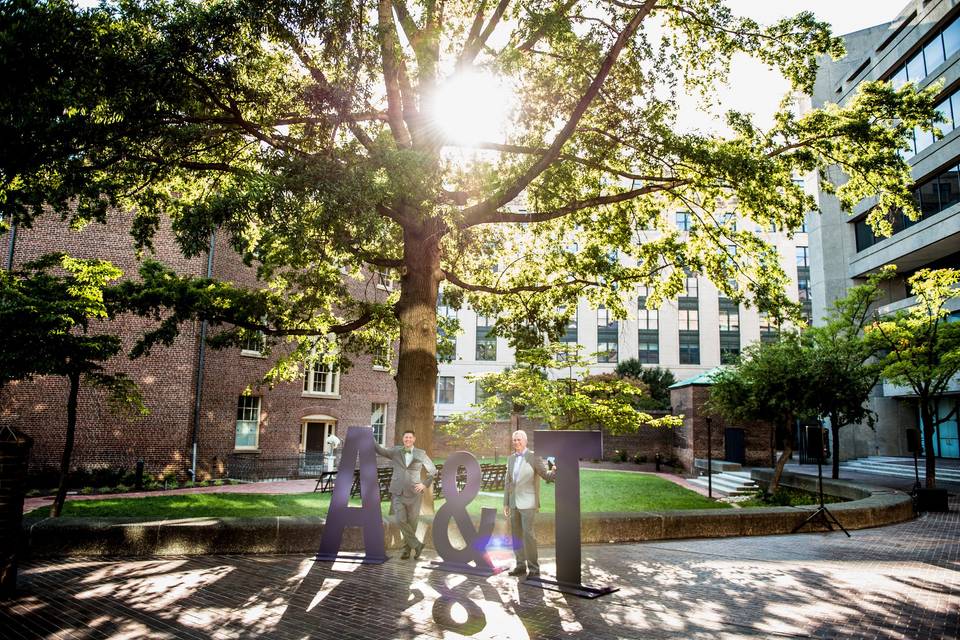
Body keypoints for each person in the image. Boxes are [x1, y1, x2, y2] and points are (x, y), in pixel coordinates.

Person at [374, 429, 437, 559]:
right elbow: (380, 450)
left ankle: (406, 550)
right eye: (405, 438)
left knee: (412, 523)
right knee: (400, 520)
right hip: (398, 492)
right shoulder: (396, 451)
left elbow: (433, 470)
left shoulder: (421, 453)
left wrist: (424, 484)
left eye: (410, 437)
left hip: (415, 493)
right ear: (403, 439)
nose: (407, 439)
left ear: (414, 439)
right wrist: (371, 434)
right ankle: (417, 545)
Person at [503, 429, 555, 578]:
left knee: (528, 535)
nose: (516, 442)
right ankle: (520, 566)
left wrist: (555, 471)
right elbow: (508, 482)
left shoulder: (533, 457)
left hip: (528, 503)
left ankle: (534, 568)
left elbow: (545, 475)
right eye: (514, 440)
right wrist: (506, 502)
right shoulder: (511, 459)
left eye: (519, 440)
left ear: (525, 441)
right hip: (514, 503)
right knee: (516, 535)